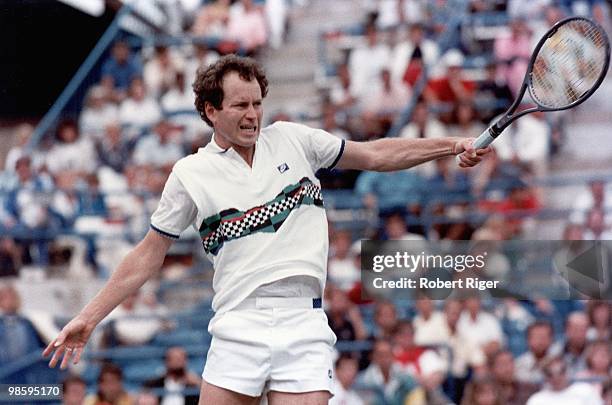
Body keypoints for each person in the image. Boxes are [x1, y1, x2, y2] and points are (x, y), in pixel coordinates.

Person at [43, 55, 490, 405]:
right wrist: (89, 317)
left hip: (304, 321)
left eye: (258, 102)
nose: (253, 114)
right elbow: (147, 253)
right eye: (240, 105)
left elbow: (375, 155)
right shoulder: (190, 173)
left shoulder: (294, 139)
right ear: (210, 110)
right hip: (238, 321)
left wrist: (449, 146)